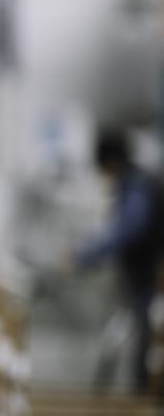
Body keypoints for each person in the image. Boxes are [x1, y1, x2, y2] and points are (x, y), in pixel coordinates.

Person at [75, 129, 164, 391]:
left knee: (146, 352)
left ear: (110, 162)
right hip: (141, 281)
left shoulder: (137, 187)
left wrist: (86, 254)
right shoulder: (134, 184)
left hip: (150, 281)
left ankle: (147, 415)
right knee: (141, 346)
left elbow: (128, 229)